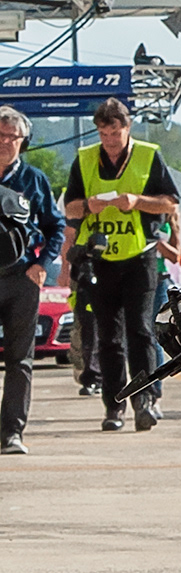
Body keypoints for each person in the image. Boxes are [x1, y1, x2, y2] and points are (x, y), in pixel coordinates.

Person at [59, 98, 180, 432]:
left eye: (114, 132)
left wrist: (137, 202)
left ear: (127, 128)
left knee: (140, 330)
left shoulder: (148, 155)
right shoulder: (84, 160)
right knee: (108, 336)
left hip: (139, 255)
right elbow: (69, 208)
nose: (109, 140)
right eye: (103, 133)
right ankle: (114, 407)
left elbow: (170, 203)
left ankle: (146, 400)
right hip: (99, 260)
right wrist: (88, 205)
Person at [0, 105, 64, 453]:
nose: (6, 142)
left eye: (13, 137)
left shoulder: (34, 180)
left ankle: (12, 432)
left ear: (23, 142)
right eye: (0, 135)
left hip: (21, 281)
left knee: (19, 360)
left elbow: (56, 227)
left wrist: (41, 265)